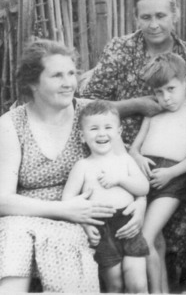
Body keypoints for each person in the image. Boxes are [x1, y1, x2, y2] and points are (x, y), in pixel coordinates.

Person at [0, 39, 155, 292]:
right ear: (33, 83)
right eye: (57, 75)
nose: (69, 83)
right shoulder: (11, 124)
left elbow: (123, 165)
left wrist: (140, 204)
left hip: (80, 221)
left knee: (67, 248)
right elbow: (0, 202)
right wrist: (65, 209)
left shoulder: (91, 116)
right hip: (20, 216)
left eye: (72, 73)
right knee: (13, 256)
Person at [80, 0, 186, 288]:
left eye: (161, 15)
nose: (153, 24)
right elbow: (88, 105)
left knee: (162, 232)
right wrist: (135, 106)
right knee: (129, 228)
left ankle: (171, 282)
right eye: (145, 17)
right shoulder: (120, 50)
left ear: (175, 14)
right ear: (135, 18)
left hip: (174, 161)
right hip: (121, 152)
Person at [124, 53, 186, 293]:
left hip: (174, 178)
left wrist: (171, 173)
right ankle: (162, 290)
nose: (166, 98)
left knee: (145, 236)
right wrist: (137, 157)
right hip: (145, 176)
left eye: (171, 89)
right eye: (159, 92)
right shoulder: (153, 113)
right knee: (156, 240)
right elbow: (134, 148)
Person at [62, 100, 150, 293]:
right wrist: (85, 224)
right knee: (114, 284)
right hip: (101, 227)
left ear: (119, 132)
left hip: (128, 223)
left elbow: (143, 188)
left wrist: (121, 179)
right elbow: (67, 200)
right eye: (94, 128)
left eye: (108, 127)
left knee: (138, 284)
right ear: (82, 136)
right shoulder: (82, 166)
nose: (101, 133)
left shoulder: (125, 160)